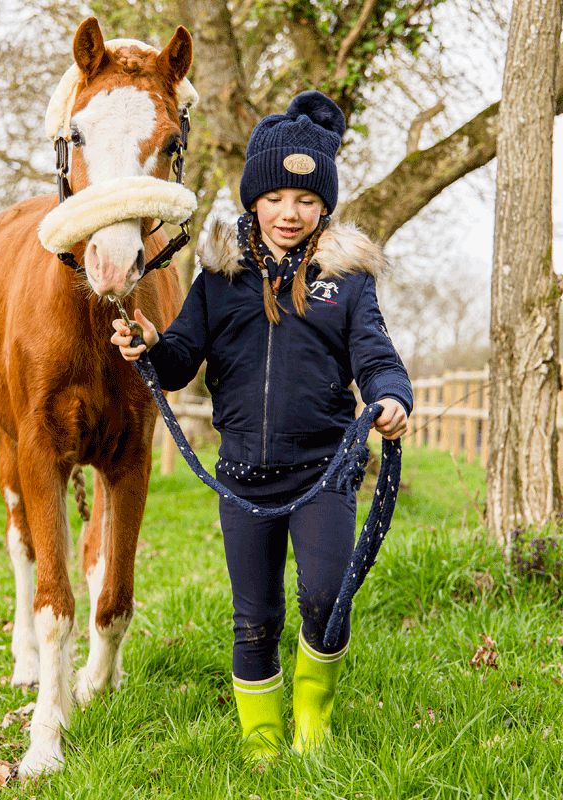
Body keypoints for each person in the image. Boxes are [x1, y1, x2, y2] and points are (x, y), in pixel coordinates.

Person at [110, 90, 412, 762]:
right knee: (254, 619)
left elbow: (377, 358)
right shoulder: (220, 277)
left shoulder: (347, 282)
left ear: (323, 207)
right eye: (277, 197)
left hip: (326, 470)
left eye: (306, 201)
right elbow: (183, 358)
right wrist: (150, 346)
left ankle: (312, 719)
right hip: (243, 473)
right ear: (254, 199)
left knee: (327, 599)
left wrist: (392, 399)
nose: (290, 213)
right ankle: (262, 742)